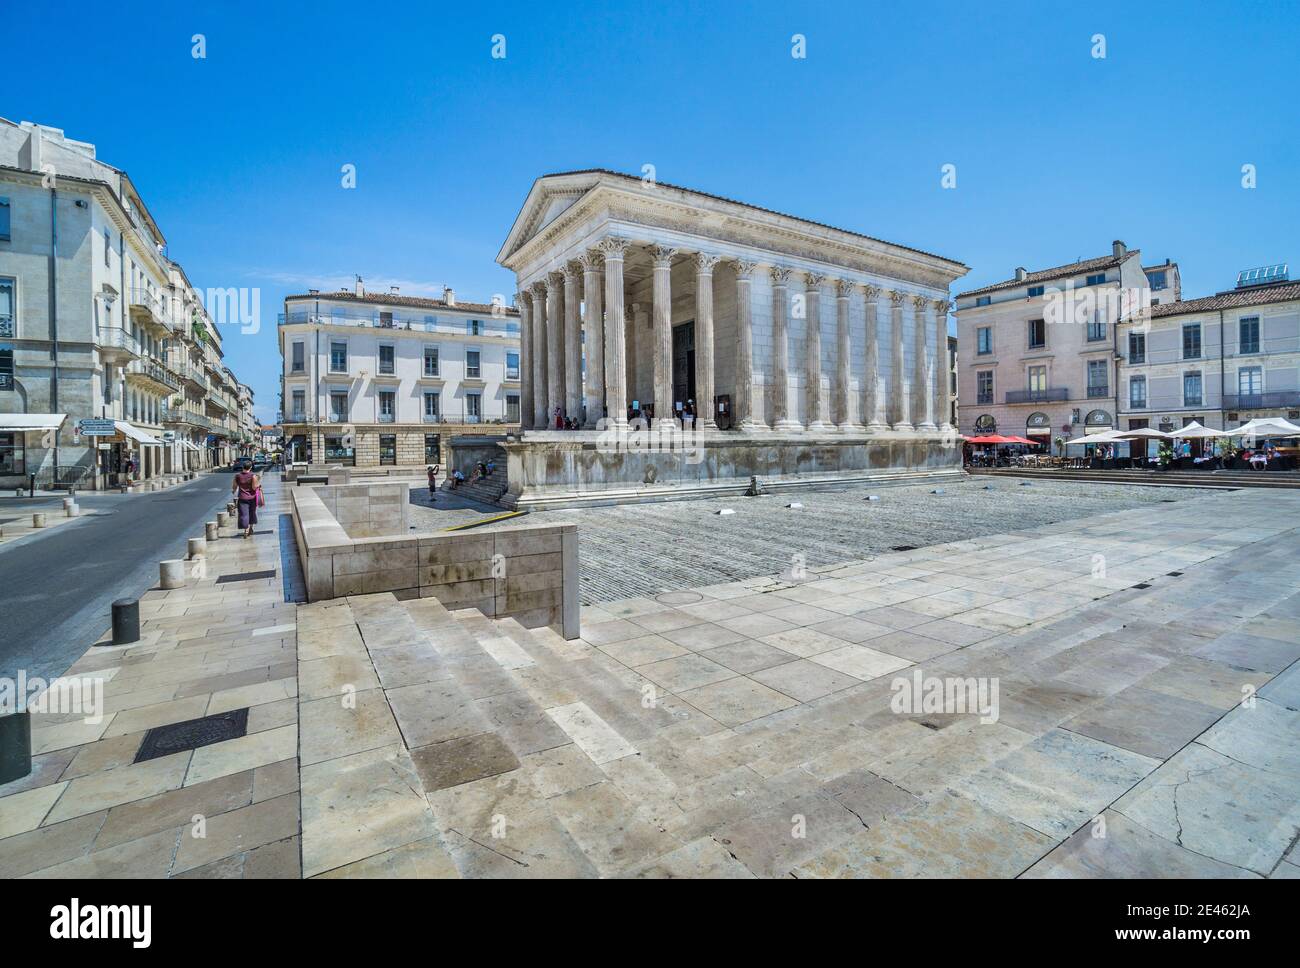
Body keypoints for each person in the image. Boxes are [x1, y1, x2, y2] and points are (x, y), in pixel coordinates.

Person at [231, 461, 260, 538]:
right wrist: (258, 486)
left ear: (243, 467)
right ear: (250, 467)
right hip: (252, 498)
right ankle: (250, 528)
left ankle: (246, 529)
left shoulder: (237, 476)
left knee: (244, 514)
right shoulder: (253, 476)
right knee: (252, 513)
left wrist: (233, 491)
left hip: (242, 497)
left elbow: (234, 486)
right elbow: (254, 487)